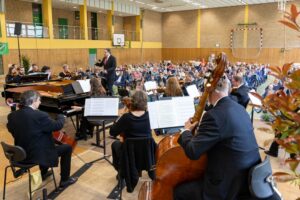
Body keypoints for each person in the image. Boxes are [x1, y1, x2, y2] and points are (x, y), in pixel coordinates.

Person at [174, 75, 261, 199]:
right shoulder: (240, 109)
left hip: (227, 186)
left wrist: (186, 131)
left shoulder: (213, 116)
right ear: (228, 89)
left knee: (180, 192)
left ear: (210, 90)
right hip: (247, 178)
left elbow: (193, 152)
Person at [7, 90, 78, 188]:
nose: (40, 102)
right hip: (34, 155)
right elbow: (56, 126)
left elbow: (11, 129)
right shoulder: (40, 115)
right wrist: (61, 117)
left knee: (42, 141)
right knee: (67, 148)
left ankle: (44, 173)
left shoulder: (12, 116)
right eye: (39, 100)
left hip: (20, 154)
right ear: (33, 101)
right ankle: (65, 180)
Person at [109, 90, 153, 171]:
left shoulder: (126, 117)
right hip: (146, 152)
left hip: (129, 152)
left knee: (115, 144)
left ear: (132, 101)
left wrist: (119, 118)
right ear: (146, 102)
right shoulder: (151, 116)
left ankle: (121, 172)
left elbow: (112, 132)